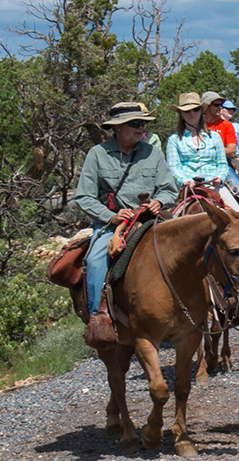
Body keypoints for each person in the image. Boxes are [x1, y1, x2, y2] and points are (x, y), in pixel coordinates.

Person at [71, 101, 178, 346]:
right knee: (95, 260)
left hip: (151, 219)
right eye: (135, 124)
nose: (141, 128)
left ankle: (208, 306)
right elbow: (84, 196)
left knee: (191, 244)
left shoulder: (153, 152)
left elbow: (169, 188)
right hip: (113, 224)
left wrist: (159, 202)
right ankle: (100, 320)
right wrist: (112, 216)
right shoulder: (97, 154)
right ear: (117, 128)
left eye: (143, 124)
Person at [165, 92, 239, 210]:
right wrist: (185, 181)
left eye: (195, 109)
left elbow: (222, 163)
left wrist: (220, 178)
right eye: (187, 111)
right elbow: (173, 167)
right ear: (181, 114)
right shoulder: (174, 140)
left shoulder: (214, 137)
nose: (192, 113)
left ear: (201, 111)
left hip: (214, 186)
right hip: (187, 188)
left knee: (238, 218)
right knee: (171, 221)